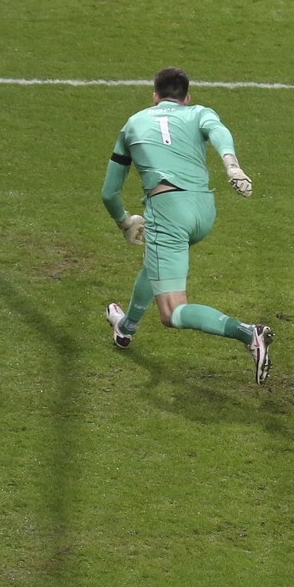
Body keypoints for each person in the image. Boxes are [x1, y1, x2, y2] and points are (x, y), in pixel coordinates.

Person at [100, 67, 274, 384]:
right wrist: (231, 166)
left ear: (154, 96)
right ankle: (125, 328)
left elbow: (108, 193)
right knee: (156, 260)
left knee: (172, 312)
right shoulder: (199, 112)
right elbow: (218, 131)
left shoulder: (133, 124)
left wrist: (125, 222)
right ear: (187, 97)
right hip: (203, 211)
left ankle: (249, 333)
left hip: (168, 211)